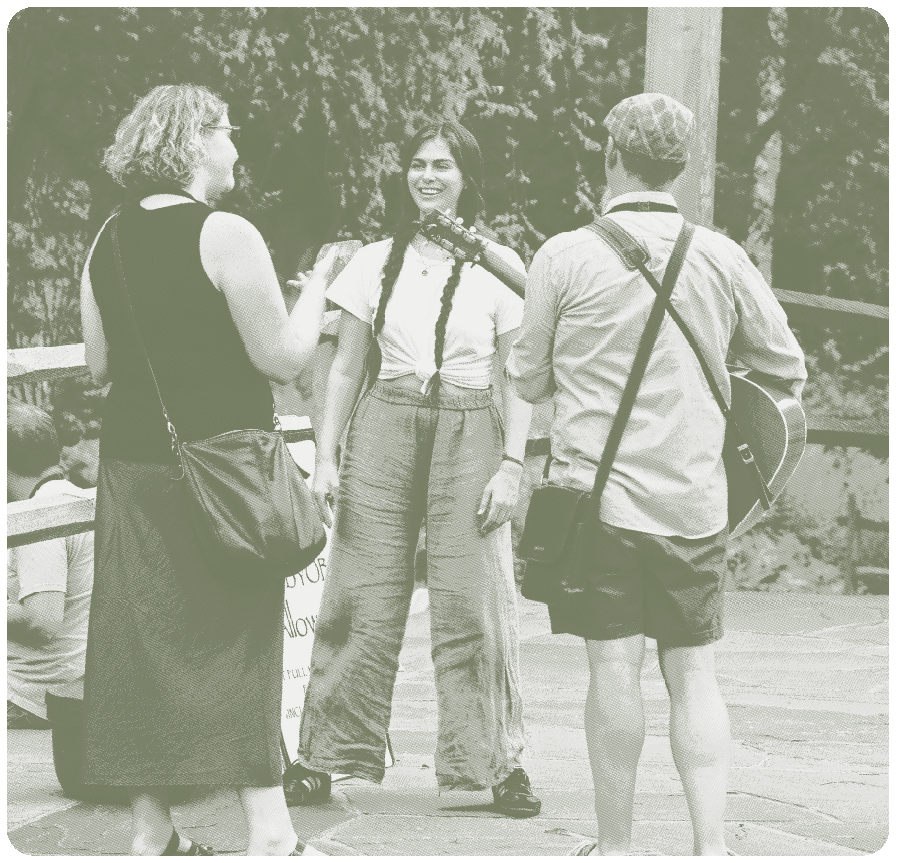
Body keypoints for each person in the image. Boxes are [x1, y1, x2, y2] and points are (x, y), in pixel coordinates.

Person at [507, 93, 808, 855]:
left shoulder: (562, 255)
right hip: (695, 502)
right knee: (694, 674)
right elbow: (785, 368)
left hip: (596, 504)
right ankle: (711, 847)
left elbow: (529, 379)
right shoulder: (721, 256)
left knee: (613, 665)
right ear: (679, 164)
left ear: (610, 152)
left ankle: (615, 847)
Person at [79, 84, 338, 856]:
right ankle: (270, 831)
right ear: (194, 141)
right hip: (222, 467)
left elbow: (97, 367)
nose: (237, 148)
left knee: (145, 645)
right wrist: (318, 289)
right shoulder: (225, 233)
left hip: (133, 467)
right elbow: (282, 356)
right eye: (228, 133)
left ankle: (151, 826)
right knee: (238, 640)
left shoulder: (109, 237)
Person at [288, 120, 541, 818]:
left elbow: (518, 375)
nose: (429, 176)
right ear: (403, 175)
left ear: (468, 177)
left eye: (445, 165)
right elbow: (344, 365)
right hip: (386, 422)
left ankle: (498, 760)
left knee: (475, 602)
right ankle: (319, 756)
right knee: (357, 594)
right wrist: (327, 457)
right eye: (419, 164)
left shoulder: (498, 263)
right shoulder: (372, 259)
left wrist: (512, 466)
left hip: (469, 426)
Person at [7, 400, 128, 805]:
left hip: (81, 735)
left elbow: (43, 623)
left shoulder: (37, 515)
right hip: (104, 700)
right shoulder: (80, 499)